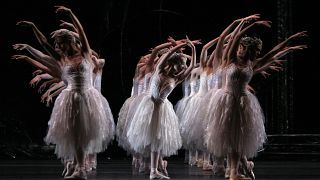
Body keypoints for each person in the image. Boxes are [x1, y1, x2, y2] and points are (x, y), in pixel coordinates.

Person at [127, 38, 198, 179]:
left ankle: (154, 170)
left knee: (158, 140)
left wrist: (193, 48)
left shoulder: (176, 78)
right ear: (173, 64)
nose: (183, 68)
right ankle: (151, 168)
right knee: (151, 138)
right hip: (148, 106)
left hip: (162, 108)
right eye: (181, 65)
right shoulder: (159, 69)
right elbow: (164, 54)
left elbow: (192, 66)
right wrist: (179, 46)